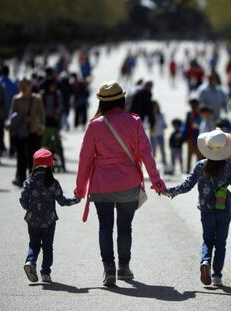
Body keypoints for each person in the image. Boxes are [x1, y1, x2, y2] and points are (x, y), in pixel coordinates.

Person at [75, 81, 166, 287]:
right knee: (125, 228)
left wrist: (80, 189)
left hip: (101, 185)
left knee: (105, 227)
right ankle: (123, 268)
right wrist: (156, 181)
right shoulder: (134, 122)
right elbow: (146, 154)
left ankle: (109, 270)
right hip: (128, 182)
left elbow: (85, 159)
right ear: (122, 99)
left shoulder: (94, 125)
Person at [163, 128, 231, 286]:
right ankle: (217, 276)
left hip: (206, 210)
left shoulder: (200, 166)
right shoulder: (228, 167)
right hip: (223, 208)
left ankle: (205, 261)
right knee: (220, 243)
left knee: (207, 240)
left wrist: (168, 191)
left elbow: (186, 186)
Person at [20, 148, 80, 283]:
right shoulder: (53, 183)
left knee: (33, 244)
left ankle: (30, 262)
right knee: (48, 247)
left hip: (33, 220)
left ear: (34, 164)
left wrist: (29, 209)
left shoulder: (29, 182)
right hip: (49, 221)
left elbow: (23, 200)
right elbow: (62, 201)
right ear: (50, 164)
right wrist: (76, 199)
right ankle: (45, 273)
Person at [10, 78, 46, 186]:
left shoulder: (37, 99)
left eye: (25, 86)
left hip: (34, 131)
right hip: (20, 132)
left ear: (30, 87)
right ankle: (20, 178)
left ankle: (33, 178)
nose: (23, 88)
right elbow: (12, 115)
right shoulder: (16, 99)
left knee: (33, 156)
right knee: (21, 156)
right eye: (21, 86)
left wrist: (41, 127)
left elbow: (42, 114)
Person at [183, 98, 203, 173]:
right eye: (192, 105)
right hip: (190, 137)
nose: (193, 106)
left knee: (199, 155)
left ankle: (200, 169)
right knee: (189, 154)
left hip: (199, 138)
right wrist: (184, 136)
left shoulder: (200, 114)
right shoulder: (189, 114)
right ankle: (188, 169)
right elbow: (186, 126)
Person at [149, 100, 167, 167]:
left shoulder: (161, 115)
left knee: (162, 149)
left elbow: (164, 124)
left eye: (155, 106)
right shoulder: (150, 116)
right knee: (153, 150)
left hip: (160, 135)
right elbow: (146, 124)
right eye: (153, 106)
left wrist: (165, 126)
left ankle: (164, 162)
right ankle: (152, 164)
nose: (154, 108)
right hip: (153, 135)